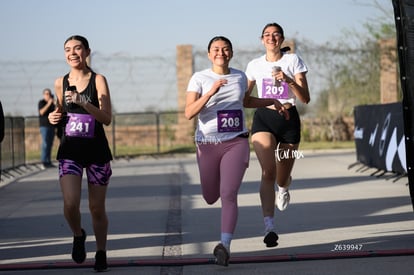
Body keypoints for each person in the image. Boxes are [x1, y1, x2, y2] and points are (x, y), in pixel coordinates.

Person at [184, 36, 288, 266]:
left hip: (236, 142)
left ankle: (225, 246)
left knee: (229, 194)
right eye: (216, 49)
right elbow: (189, 112)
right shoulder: (199, 78)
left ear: (231, 53)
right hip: (208, 145)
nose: (221, 52)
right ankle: (224, 238)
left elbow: (246, 101)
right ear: (209, 54)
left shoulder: (240, 76)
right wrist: (210, 92)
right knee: (211, 197)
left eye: (225, 49)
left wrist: (271, 100)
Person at [48, 35, 113, 272]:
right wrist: (53, 117)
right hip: (70, 151)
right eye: (67, 49)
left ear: (87, 52)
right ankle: (78, 234)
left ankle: (101, 252)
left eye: (77, 48)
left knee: (96, 208)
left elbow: (106, 118)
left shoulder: (98, 80)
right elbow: (60, 111)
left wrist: (83, 101)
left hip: (97, 151)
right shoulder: (60, 82)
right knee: (70, 203)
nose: (72, 53)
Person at [244, 22, 310, 248]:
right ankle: (269, 226)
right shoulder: (254, 65)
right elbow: (244, 98)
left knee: (281, 176)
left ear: (282, 39)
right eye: (267, 35)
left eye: (276, 35)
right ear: (262, 40)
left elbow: (305, 98)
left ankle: (284, 187)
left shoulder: (293, 61)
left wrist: (289, 80)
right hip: (265, 119)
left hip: (289, 121)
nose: (271, 38)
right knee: (267, 171)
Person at [38, 88, 56, 168]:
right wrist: (48, 104)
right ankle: (43, 161)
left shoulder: (52, 103)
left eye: (49, 94)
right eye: (46, 94)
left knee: (50, 144)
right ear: (44, 95)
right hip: (44, 126)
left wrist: (55, 103)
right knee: (45, 143)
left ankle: (48, 161)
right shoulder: (41, 102)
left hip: (51, 126)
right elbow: (41, 112)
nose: (48, 95)